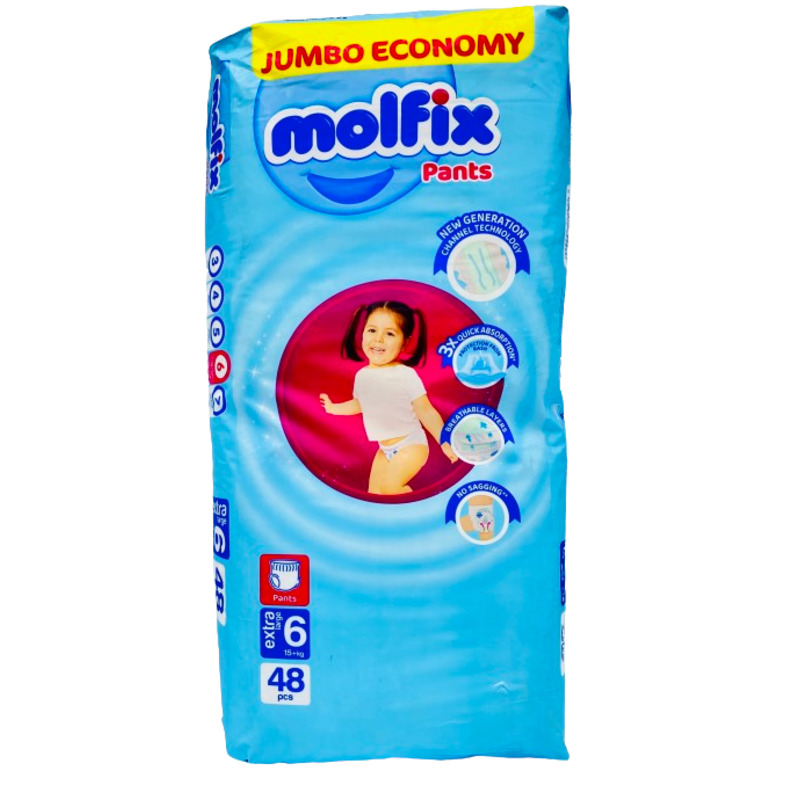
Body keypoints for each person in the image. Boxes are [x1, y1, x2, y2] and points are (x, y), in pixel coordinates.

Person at [320, 300, 458, 495]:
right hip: (384, 448)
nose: (378, 339)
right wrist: (333, 408)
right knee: (375, 491)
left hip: (411, 444)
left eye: (390, 334)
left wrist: (445, 441)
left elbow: (425, 411)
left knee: (391, 488)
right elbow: (360, 404)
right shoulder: (362, 375)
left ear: (404, 342)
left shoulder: (405, 374)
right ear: (362, 333)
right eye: (372, 330)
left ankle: (418, 510)